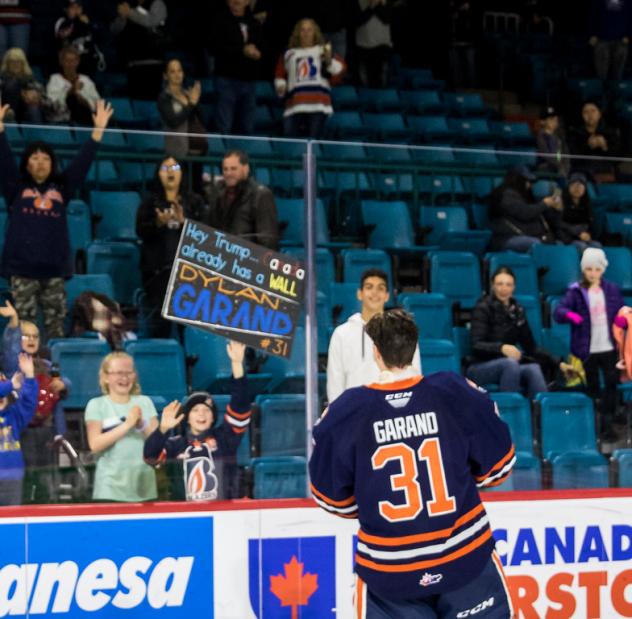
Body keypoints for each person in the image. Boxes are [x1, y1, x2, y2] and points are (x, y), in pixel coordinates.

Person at [310, 309, 515, 618]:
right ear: (415, 348)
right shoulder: (455, 391)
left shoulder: (347, 411)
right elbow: (499, 468)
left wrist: (371, 500)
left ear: (376, 354)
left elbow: (332, 500)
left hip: (390, 572)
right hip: (465, 560)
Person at [0, 99, 113, 340]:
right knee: (25, 331)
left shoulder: (63, 188)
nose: (40, 162)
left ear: (53, 164)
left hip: (54, 271)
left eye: (45, 158)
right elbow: (4, 160)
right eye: (34, 157)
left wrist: (97, 132)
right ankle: (24, 375)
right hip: (23, 271)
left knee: (55, 330)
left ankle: (54, 377)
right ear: (26, 163)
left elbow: (81, 165)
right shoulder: (15, 188)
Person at [144, 340, 250, 501]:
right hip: (185, 516)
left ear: (213, 417)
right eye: (195, 410)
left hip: (225, 513)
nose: (202, 414)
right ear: (187, 418)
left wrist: (237, 366)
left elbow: (240, 406)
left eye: (206, 410)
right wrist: (162, 429)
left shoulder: (225, 438)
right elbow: (149, 457)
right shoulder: (175, 444)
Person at [0, 300, 70, 503]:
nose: (30, 339)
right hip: (24, 428)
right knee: (31, 467)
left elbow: (61, 379)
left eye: (35, 336)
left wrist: (63, 384)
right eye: (25, 336)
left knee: (45, 471)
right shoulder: (12, 362)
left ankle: (43, 501)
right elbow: (9, 344)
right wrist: (14, 321)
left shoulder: (46, 363)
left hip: (45, 425)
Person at [467, 267, 574, 399]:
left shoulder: (518, 311)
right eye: (500, 284)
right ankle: (507, 413)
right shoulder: (482, 307)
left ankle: (539, 416)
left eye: (508, 284)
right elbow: (476, 345)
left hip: (508, 366)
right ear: (493, 285)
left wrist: (559, 363)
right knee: (510, 364)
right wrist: (501, 348)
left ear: (514, 287)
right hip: (480, 367)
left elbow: (531, 347)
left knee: (533, 369)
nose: (504, 288)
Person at [554, 248, 625, 443]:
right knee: (592, 386)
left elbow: (621, 311)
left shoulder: (611, 289)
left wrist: (622, 321)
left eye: (596, 269)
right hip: (587, 348)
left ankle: (608, 421)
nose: (593, 273)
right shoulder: (576, 291)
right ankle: (594, 422)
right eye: (589, 269)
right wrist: (569, 314)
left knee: (611, 383)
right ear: (583, 270)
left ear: (602, 269)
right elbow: (559, 311)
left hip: (609, 346)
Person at [136, 156, 207, 337]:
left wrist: (184, 223)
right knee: (160, 328)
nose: (170, 171)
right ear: (158, 174)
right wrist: (158, 223)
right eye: (165, 168)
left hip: (190, 275)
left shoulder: (194, 202)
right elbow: (141, 232)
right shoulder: (149, 203)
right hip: (158, 274)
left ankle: (190, 363)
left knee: (190, 331)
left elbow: (206, 237)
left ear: (181, 173)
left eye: (174, 167)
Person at [327, 268, 421, 403]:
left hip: (392, 414)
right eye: (369, 287)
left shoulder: (402, 331)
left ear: (387, 295)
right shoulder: (342, 334)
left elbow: (414, 373)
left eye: (380, 288)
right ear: (360, 294)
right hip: (356, 412)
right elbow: (335, 381)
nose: (375, 292)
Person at [85, 351, 159, 502]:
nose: (124, 378)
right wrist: (127, 425)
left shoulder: (145, 402)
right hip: (110, 489)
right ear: (105, 377)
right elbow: (95, 444)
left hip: (144, 486)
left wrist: (141, 424)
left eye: (129, 373)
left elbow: (158, 442)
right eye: (118, 373)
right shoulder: (96, 405)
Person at [274, 18, 346, 138]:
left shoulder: (323, 51)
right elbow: (280, 74)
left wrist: (328, 62)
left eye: (309, 30)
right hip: (294, 105)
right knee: (291, 142)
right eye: (302, 30)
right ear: (297, 33)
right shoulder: (289, 53)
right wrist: (281, 86)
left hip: (318, 105)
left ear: (315, 32)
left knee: (314, 142)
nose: (306, 33)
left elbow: (340, 70)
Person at [202, 150, 279, 249]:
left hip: (248, 258)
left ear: (246, 169)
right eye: (225, 169)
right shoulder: (218, 194)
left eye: (233, 169)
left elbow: (268, 239)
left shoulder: (261, 195)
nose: (228, 173)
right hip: (221, 256)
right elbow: (209, 228)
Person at [211, 0, 264, 135]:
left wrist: (258, 53)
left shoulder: (255, 24)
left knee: (247, 126)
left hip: (249, 80)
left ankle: (243, 155)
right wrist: (242, 50)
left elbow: (263, 48)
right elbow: (215, 47)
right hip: (226, 79)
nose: (237, 0)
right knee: (224, 126)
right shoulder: (219, 21)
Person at [489, 165, 561, 253]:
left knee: (555, 244)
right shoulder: (505, 195)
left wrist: (555, 209)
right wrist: (544, 204)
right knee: (536, 244)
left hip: (525, 235)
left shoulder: (524, 196)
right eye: (527, 181)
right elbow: (525, 213)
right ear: (518, 180)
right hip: (506, 238)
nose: (529, 185)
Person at [110, 0, 167, 100]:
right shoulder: (129, 5)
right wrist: (122, 17)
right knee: (137, 103)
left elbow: (152, 21)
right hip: (133, 64)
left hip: (153, 64)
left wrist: (129, 13)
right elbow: (114, 29)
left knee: (153, 103)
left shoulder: (157, 3)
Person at [0, 352, 37, 506]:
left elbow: (28, 402)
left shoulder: (13, 415)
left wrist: (29, 377)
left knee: (12, 522)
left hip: (12, 478)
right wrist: (10, 384)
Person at [158, 58, 207, 161]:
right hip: (176, 153)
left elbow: (203, 120)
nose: (177, 74)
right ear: (165, 76)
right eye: (172, 71)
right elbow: (173, 121)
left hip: (196, 151)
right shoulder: (164, 98)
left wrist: (195, 104)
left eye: (179, 70)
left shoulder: (189, 94)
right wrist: (190, 105)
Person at [46, 45, 100, 125]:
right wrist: (71, 91)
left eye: (73, 61)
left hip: (86, 117)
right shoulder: (55, 79)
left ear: (78, 62)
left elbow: (97, 103)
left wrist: (83, 101)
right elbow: (51, 102)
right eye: (67, 61)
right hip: (61, 118)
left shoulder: (86, 80)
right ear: (61, 62)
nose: (70, 64)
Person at [567, 101, 621, 182]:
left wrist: (604, 146)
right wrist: (587, 145)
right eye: (586, 112)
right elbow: (572, 157)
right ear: (582, 115)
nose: (590, 115)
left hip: (605, 172)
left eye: (593, 111)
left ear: (599, 114)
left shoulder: (611, 132)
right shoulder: (574, 133)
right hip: (582, 172)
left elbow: (618, 158)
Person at [54, 0, 102, 76]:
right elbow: (60, 38)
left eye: (78, 7)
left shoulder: (89, 22)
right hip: (69, 65)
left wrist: (88, 24)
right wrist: (73, 22)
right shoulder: (62, 22)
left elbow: (99, 38)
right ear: (66, 9)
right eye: (72, 7)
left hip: (88, 64)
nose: (76, 10)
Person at [557, 171, 601, 252]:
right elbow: (558, 223)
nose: (577, 188)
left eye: (581, 185)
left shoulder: (587, 203)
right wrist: (578, 233)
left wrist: (588, 234)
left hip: (581, 236)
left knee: (597, 246)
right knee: (582, 247)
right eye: (574, 185)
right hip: (566, 237)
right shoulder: (561, 201)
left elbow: (590, 223)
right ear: (569, 186)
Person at [589, 0, 632, 81]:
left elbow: (630, 17)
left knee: (618, 69)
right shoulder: (598, 2)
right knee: (601, 68)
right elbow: (593, 15)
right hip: (601, 38)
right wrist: (593, 34)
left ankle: (616, 88)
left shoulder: (628, 2)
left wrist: (628, 34)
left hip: (621, 39)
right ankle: (601, 88)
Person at [354, 0, 394, 88]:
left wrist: (377, 5)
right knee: (363, 81)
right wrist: (371, 6)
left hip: (382, 44)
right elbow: (358, 21)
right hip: (363, 45)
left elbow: (387, 18)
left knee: (381, 80)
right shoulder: (359, 1)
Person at [0, 47, 44, 124]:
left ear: (23, 63)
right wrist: (21, 93)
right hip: (3, 110)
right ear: (7, 63)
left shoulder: (30, 79)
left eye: (18, 61)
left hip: (24, 111)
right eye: (12, 61)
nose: (15, 64)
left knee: (33, 109)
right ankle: (9, 113)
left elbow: (41, 96)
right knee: (12, 84)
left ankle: (36, 134)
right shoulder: (2, 79)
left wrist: (36, 97)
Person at [536, 106, 570, 178]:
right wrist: (559, 165)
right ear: (542, 121)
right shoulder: (540, 137)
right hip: (547, 168)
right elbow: (546, 155)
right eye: (551, 119)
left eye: (556, 119)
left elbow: (565, 153)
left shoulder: (559, 138)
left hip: (561, 168)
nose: (554, 121)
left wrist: (565, 166)